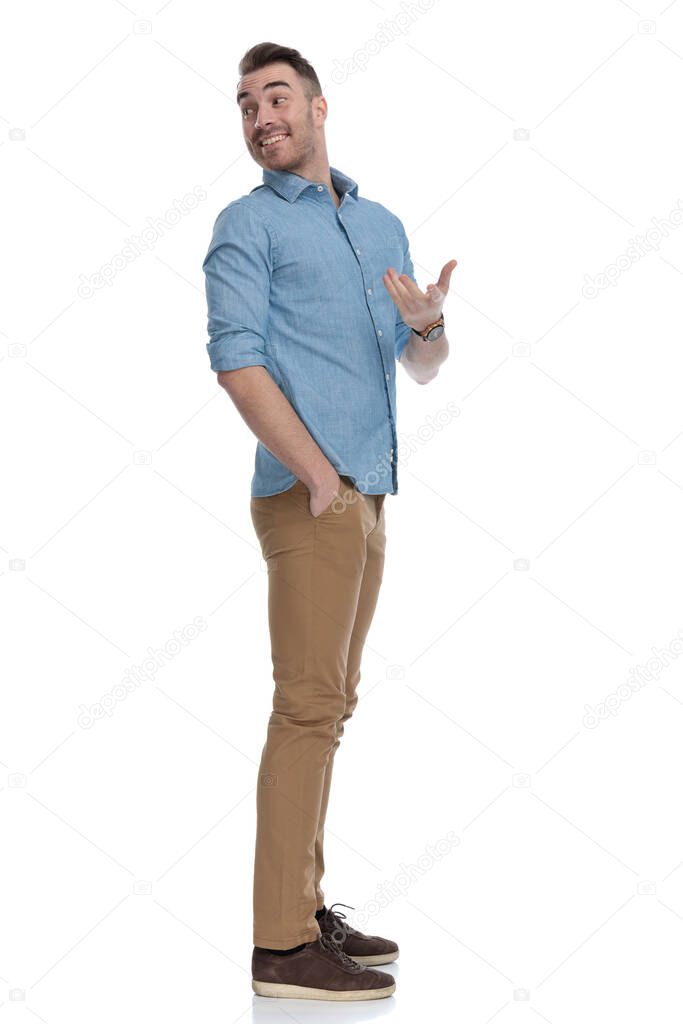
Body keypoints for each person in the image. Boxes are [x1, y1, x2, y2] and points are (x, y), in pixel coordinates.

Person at [202, 41, 455, 1001]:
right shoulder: (246, 226)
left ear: (317, 106)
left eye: (275, 97)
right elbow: (235, 360)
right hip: (310, 496)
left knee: (331, 706)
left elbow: (419, 368)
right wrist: (316, 478)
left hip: (369, 492)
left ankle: (303, 910)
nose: (260, 116)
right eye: (244, 104)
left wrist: (426, 325)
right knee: (306, 707)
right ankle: (281, 947)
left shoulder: (379, 222)